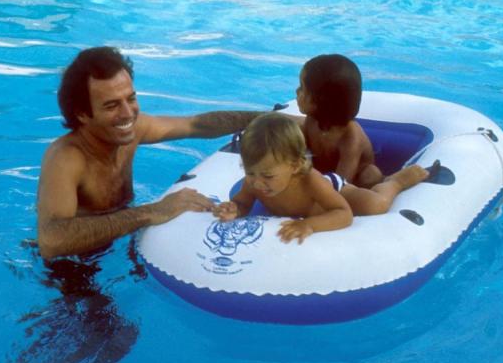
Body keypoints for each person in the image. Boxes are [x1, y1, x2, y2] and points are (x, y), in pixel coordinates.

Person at [36, 46, 263, 259]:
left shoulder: (132, 130)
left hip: (120, 240)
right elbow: (51, 241)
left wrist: (269, 120)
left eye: (131, 98)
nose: (128, 114)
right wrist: (152, 212)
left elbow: (199, 125)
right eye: (111, 105)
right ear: (83, 115)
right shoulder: (67, 158)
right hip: (73, 265)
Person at [212, 113, 429, 244]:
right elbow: (244, 202)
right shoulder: (255, 181)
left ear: (295, 166)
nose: (257, 182)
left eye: (267, 175)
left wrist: (310, 225)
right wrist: (234, 208)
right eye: (250, 172)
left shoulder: (309, 180)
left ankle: (396, 181)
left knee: (376, 205)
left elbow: (343, 214)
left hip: (333, 189)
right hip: (307, 205)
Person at [295, 53, 383, 188]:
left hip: (354, 180)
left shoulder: (350, 136)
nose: (297, 91)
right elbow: (302, 154)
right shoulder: (311, 121)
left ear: (322, 100)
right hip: (324, 172)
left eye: (302, 87)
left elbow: (342, 180)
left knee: (372, 174)